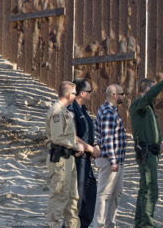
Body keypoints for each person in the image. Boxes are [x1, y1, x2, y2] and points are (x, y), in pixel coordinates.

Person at [130, 72, 163, 228]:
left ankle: (140, 223)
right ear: (147, 89)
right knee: (151, 190)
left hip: (152, 152)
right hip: (145, 153)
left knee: (144, 189)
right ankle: (146, 224)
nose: (155, 93)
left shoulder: (147, 108)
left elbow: (151, 127)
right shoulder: (138, 104)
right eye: (153, 89)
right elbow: (149, 96)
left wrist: (160, 139)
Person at [46, 81, 85, 228]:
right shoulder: (57, 111)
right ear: (69, 95)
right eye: (75, 93)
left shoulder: (65, 111)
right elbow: (57, 138)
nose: (76, 96)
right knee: (59, 198)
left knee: (72, 199)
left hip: (68, 159)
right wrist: (76, 145)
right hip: (60, 160)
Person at [67, 79, 100, 228]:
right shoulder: (71, 109)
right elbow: (72, 135)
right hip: (76, 160)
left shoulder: (84, 110)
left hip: (86, 160)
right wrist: (91, 149)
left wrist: (93, 146)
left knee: (90, 196)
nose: (91, 94)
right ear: (81, 93)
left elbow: (87, 133)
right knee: (77, 203)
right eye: (89, 91)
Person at [93, 84, 126, 228]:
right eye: (122, 93)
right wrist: (113, 160)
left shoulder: (113, 111)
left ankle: (109, 224)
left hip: (116, 160)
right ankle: (99, 225)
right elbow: (107, 139)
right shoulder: (107, 112)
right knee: (104, 195)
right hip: (109, 160)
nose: (123, 96)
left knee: (116, 193)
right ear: (114, 95)